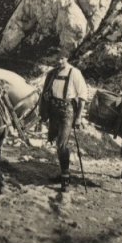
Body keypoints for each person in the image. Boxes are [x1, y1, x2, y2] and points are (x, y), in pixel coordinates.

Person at [40, 48, 88, 192]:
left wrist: (78, 117)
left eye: (62, 58)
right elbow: (47, 91)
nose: (59, 61)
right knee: (57, 143)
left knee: (61, 144)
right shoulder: (53, 73)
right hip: (54, 111)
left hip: (67, 111)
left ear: (67, 58)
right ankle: (62, 173)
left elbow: (83, 95)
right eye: (57, 59)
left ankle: (65, 178)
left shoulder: (75, 73)